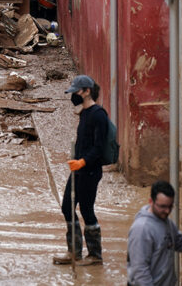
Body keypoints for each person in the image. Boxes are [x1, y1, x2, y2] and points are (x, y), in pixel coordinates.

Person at [53, 75, 110, 266]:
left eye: (76, 92)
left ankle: (95, 255)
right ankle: (74, 252)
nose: (73, 96)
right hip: (78, 170)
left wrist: (83, 161)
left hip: (90, 171)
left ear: (86, 91)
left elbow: (98, 147)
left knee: (86, 209)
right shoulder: (84, 113)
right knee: (67, 207)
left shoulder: (98, 115)